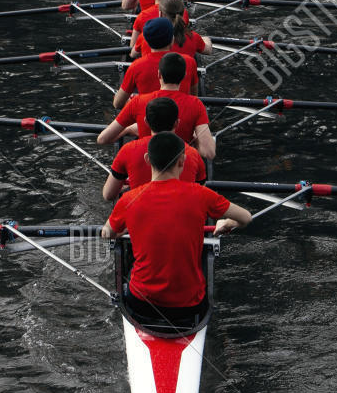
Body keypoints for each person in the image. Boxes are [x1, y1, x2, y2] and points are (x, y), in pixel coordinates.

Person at [102, 132, 250, 325]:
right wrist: (226, 223)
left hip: (142, 303)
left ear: (147, 159)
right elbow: (246, 218)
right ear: (182, 161)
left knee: (128, 278)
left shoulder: (129, 199)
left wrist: (126, 228)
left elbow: (107, 234)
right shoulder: (202, 194)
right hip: (189, 306)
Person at [98, 52, 216, 160]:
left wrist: (128, 129)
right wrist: (195, 139)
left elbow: (103, 139)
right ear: (185, 75)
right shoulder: (196, 104)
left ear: (159, 74)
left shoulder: (138, 101)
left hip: (146, 164)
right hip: (180, 165)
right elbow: (209, 153)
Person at [102, 96, 207, 202]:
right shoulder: (194, 154)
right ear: (177, 123)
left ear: (146, 122)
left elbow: (108, 195)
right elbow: (201, 196)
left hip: (140, 213)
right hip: (179, 215)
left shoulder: (128, 150)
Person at [115, 20, 198, 107]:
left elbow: (117, 104)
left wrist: (129, 101)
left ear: (146, 41)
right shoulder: (189, 61)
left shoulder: (136, 65)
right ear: (172, 40)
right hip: (181, 114)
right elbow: (194, 96)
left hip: (148, 115)